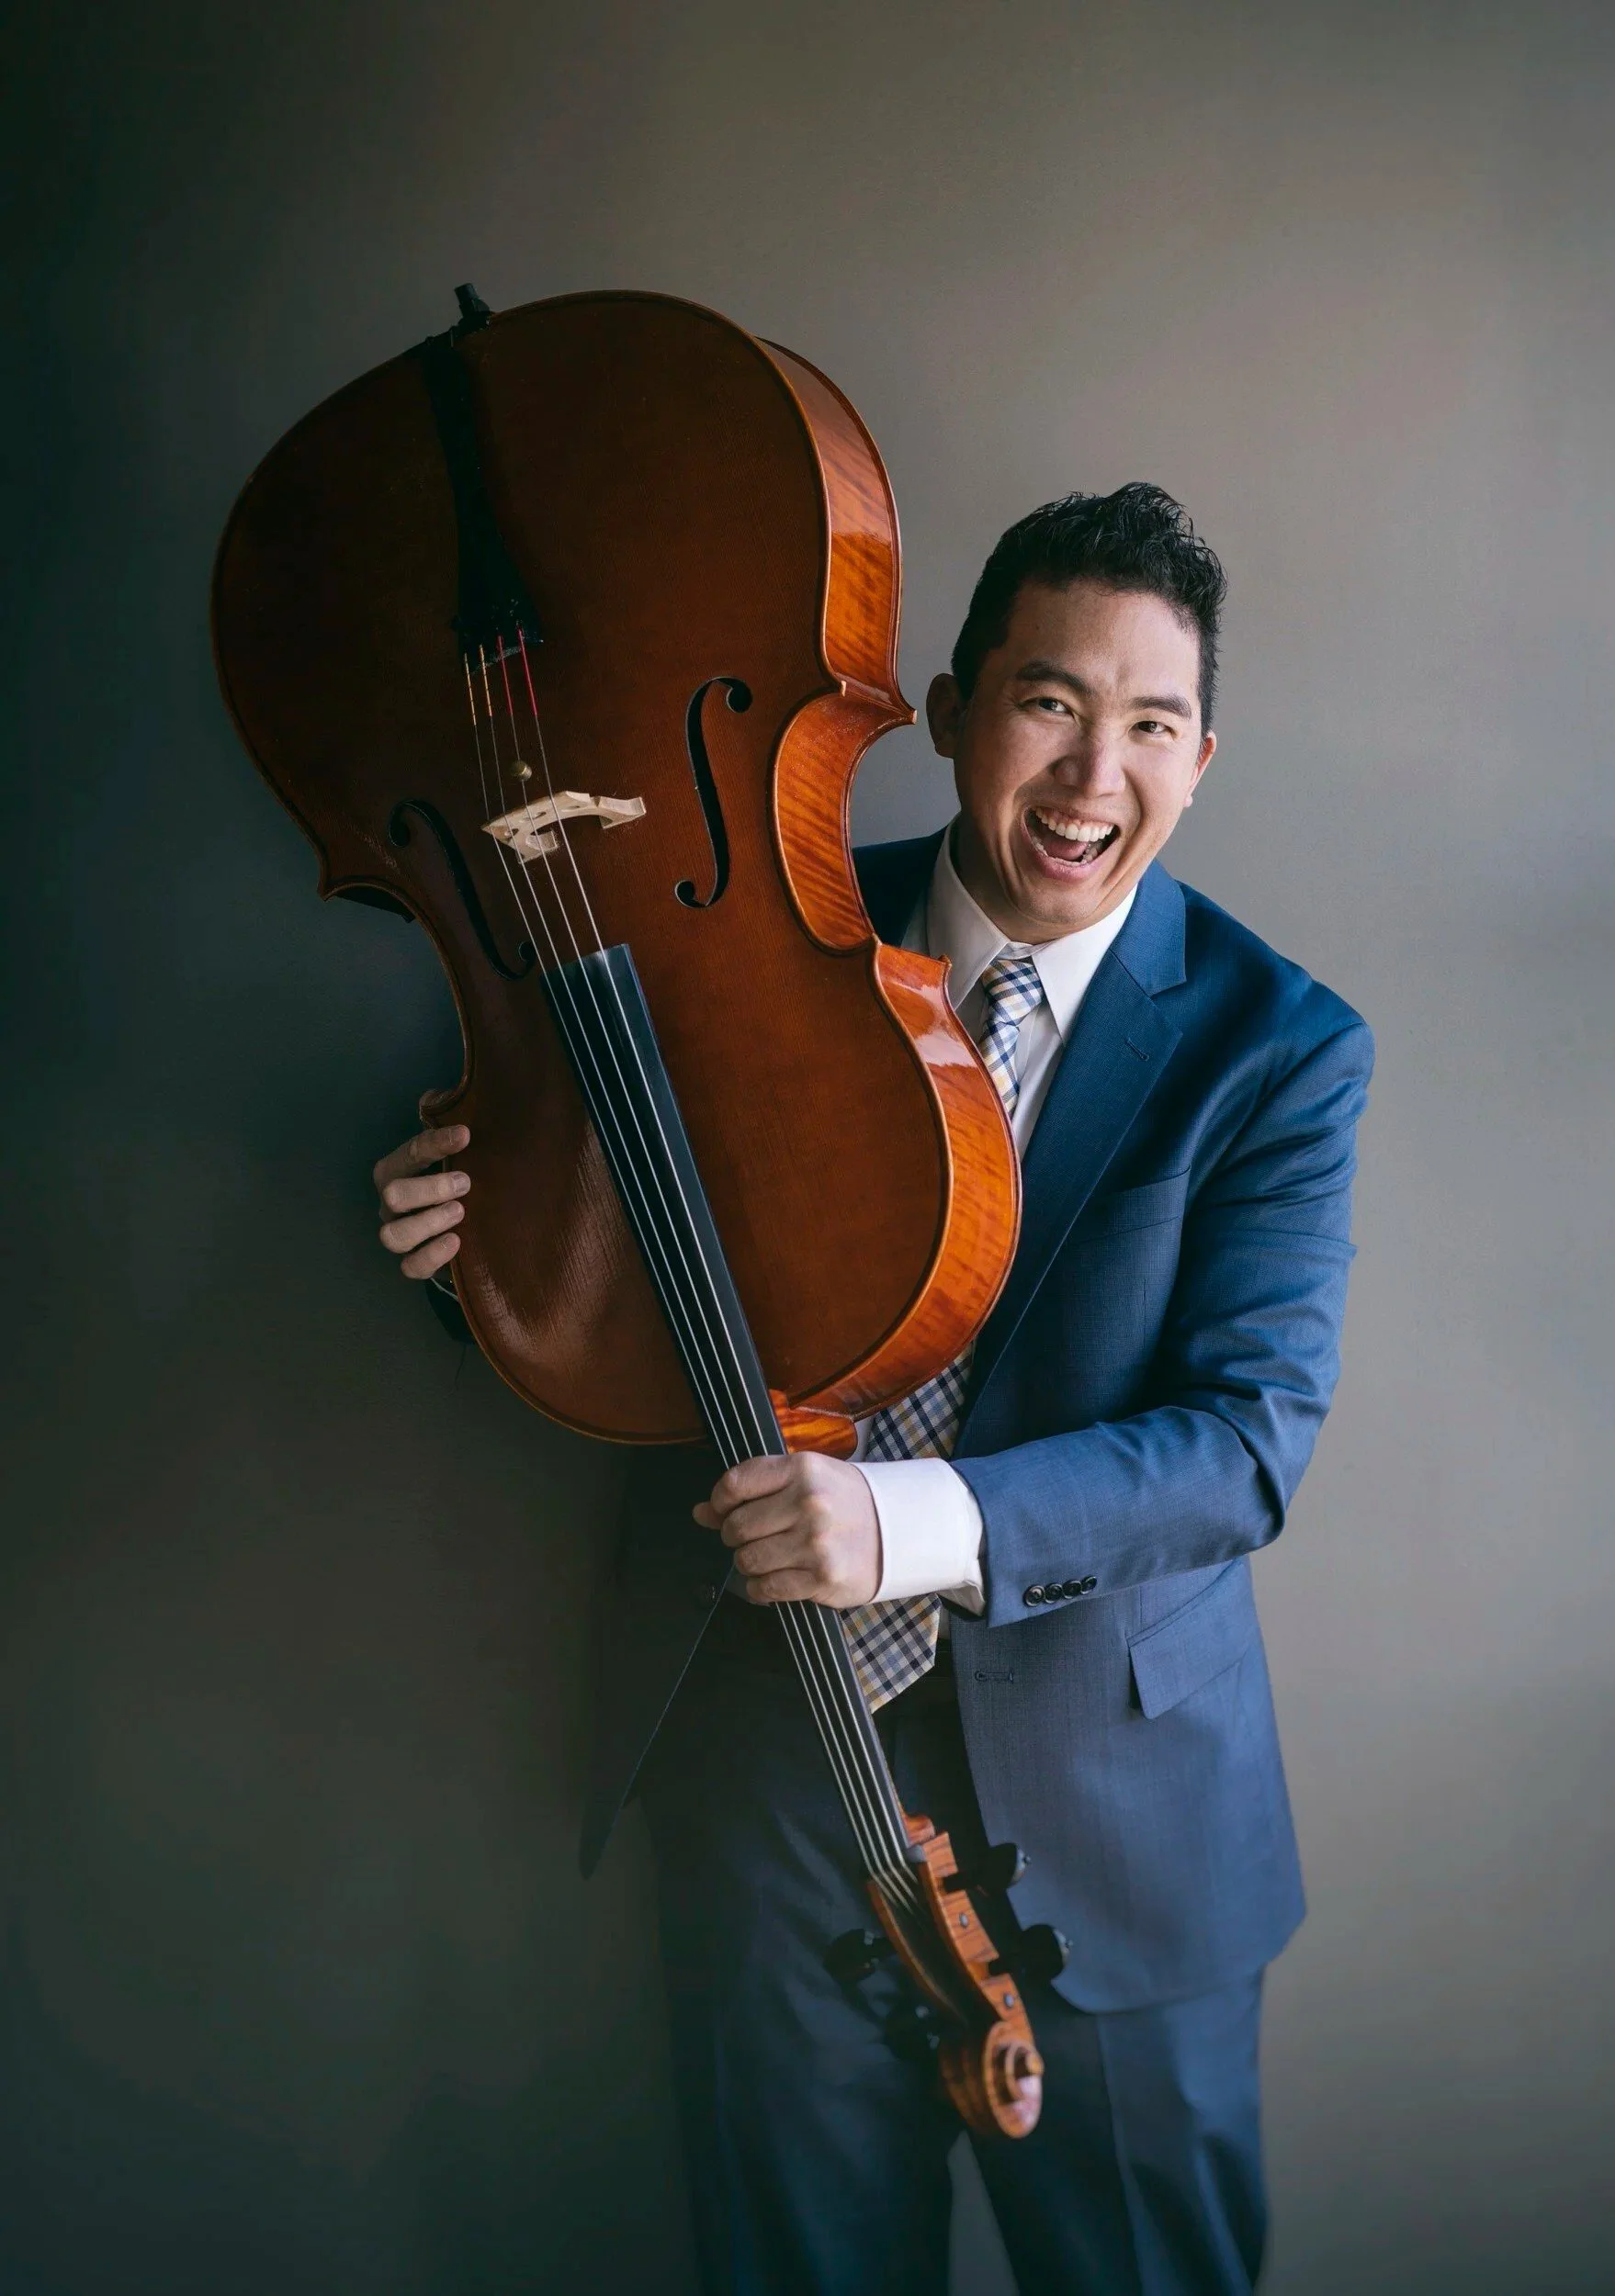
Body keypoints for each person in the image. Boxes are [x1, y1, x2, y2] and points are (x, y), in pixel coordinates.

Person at [371, 485, 1373, 2296]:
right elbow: (626, 1284)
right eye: (1047, 701)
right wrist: (476, 1256)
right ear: (948, 705)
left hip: (1115, 1811)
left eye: (1148, 723)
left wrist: (900, 1521)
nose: (1090, 773)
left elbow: (1242, 1444)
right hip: (765, 1765)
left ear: (1200, 758)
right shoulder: (762, 942)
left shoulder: (1279, 1045)